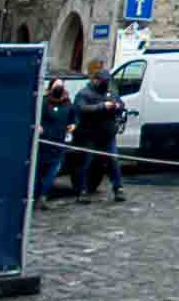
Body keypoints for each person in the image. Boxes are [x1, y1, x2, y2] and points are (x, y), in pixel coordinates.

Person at [72, 65, 125, 202]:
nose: (105, 84)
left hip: (108, 134)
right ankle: (82, 190)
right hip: (89, 134)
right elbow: (81, 109)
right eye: (103, 81)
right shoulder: (84, 93)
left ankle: (118, 188)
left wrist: (117, 106)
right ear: (95, 80)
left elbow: (120, 103)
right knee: (86, 161)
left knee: (113, 161)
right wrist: (102, 106)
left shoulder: (111, 91)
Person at [34, 80, 75, 205]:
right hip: (43, 143)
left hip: (58, 144)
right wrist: (38, 126)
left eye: (60, 86)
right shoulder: (44, 102)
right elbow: (36, 118)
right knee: (39, 172)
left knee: (53, 172)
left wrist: (73, 125)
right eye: (56, 86)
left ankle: (43, 196)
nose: (58, 88)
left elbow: (73, 118)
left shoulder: (68, 103)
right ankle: (35, 195)